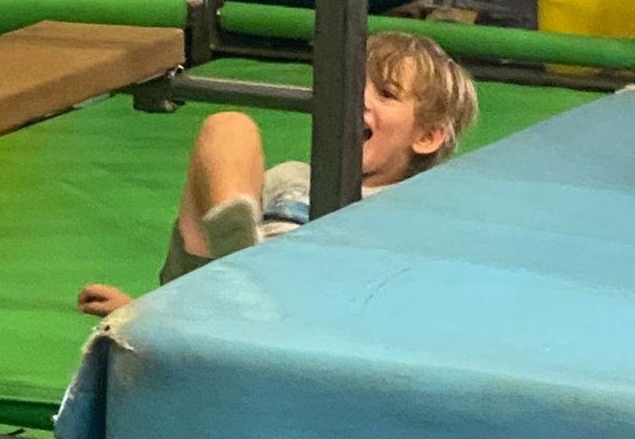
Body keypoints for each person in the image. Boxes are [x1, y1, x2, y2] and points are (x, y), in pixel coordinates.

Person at [77, 31, 478, 316]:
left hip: (306, 313)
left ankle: (249, 286)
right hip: (222, 293)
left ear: (426, 136)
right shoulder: (290, 177)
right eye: (352, 83)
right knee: (229, 125)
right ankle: (240, 262)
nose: (358, 97)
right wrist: (143, 314)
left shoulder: (412, 212)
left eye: (387, 95)